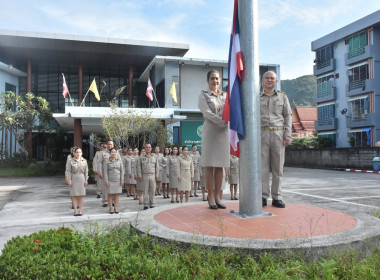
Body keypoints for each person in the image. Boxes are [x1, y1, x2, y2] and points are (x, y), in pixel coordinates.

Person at [198, 69, 229, 210]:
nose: (215, 81)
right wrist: (222, 121)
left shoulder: (226, 95)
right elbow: (207, 113)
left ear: (220, 80)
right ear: (207, 80)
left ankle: (218, 197)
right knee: (210, 165)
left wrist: (227, 121)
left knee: (220, 165)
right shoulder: (203, 95)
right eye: (212, 79)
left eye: (217, 78)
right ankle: (210, 196)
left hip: (223, 132)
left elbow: (230, 110)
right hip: (210, 130)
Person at [260, 71, 292, 208]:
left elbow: (288, 115)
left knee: (278, 168)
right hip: (262, 134)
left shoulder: (283, 97)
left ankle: (277, 197)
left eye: (272, 78)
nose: (269, 80)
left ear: (276, 81)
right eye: (267, 78)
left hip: (279, 134)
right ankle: (262, 195)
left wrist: (288, 133)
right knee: (262, 168)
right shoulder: (256, 97)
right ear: (262, 81)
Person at [97, 140, 122, 207]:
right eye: (108, 144)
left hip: (114, 173)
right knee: (105, 188)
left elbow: (119, 163)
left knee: (114, 188)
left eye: (111, 144)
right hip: (105, 173)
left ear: (113, 145)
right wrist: (100, 172)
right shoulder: (102, 153)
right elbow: (99, 163)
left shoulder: (116, 153)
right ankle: (105, 201)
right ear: (106, 145)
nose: (109, 145)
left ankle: (113, 201)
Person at [66, 147, 88, 216]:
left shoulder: (84, 161)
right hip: (74, 178)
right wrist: (69, 180)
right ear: (74, 153)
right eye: (77, 152)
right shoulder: (71, 161)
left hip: (81, 178)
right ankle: (75, 210)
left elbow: (86, 171)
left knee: (81, 195)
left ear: (82, 153)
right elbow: (68, 171)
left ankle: (80, 210)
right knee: (74, 195)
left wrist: (86, 180)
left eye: (80, 152)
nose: (78, 153)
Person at [137, 143, 159, 210]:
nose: (148, 148)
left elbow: (157, 167)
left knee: (152, 190)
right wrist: (140, 175)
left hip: (152, 175)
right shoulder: (141, 157)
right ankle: (146, 204)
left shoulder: (154, 156)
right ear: (145, 148)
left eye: (149, 147)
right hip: (145, 175)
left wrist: (157, 175)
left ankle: (152, 203)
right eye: (147, 147)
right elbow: (139, 167)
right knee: (145, 190)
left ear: (151, 148)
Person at [104, 148, 124, 214]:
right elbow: (105, 172)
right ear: (110, 153)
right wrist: (106, 180)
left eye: (114, 152)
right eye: (112, 152)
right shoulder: (107, 161)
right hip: (110, 180)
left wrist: (122, 179)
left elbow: (122, 171)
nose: (113, 153)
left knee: (116, 194)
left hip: (117, 180)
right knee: (110, 194)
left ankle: (116, 207)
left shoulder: (119, 161)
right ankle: (111, 208)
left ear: (116, 153)